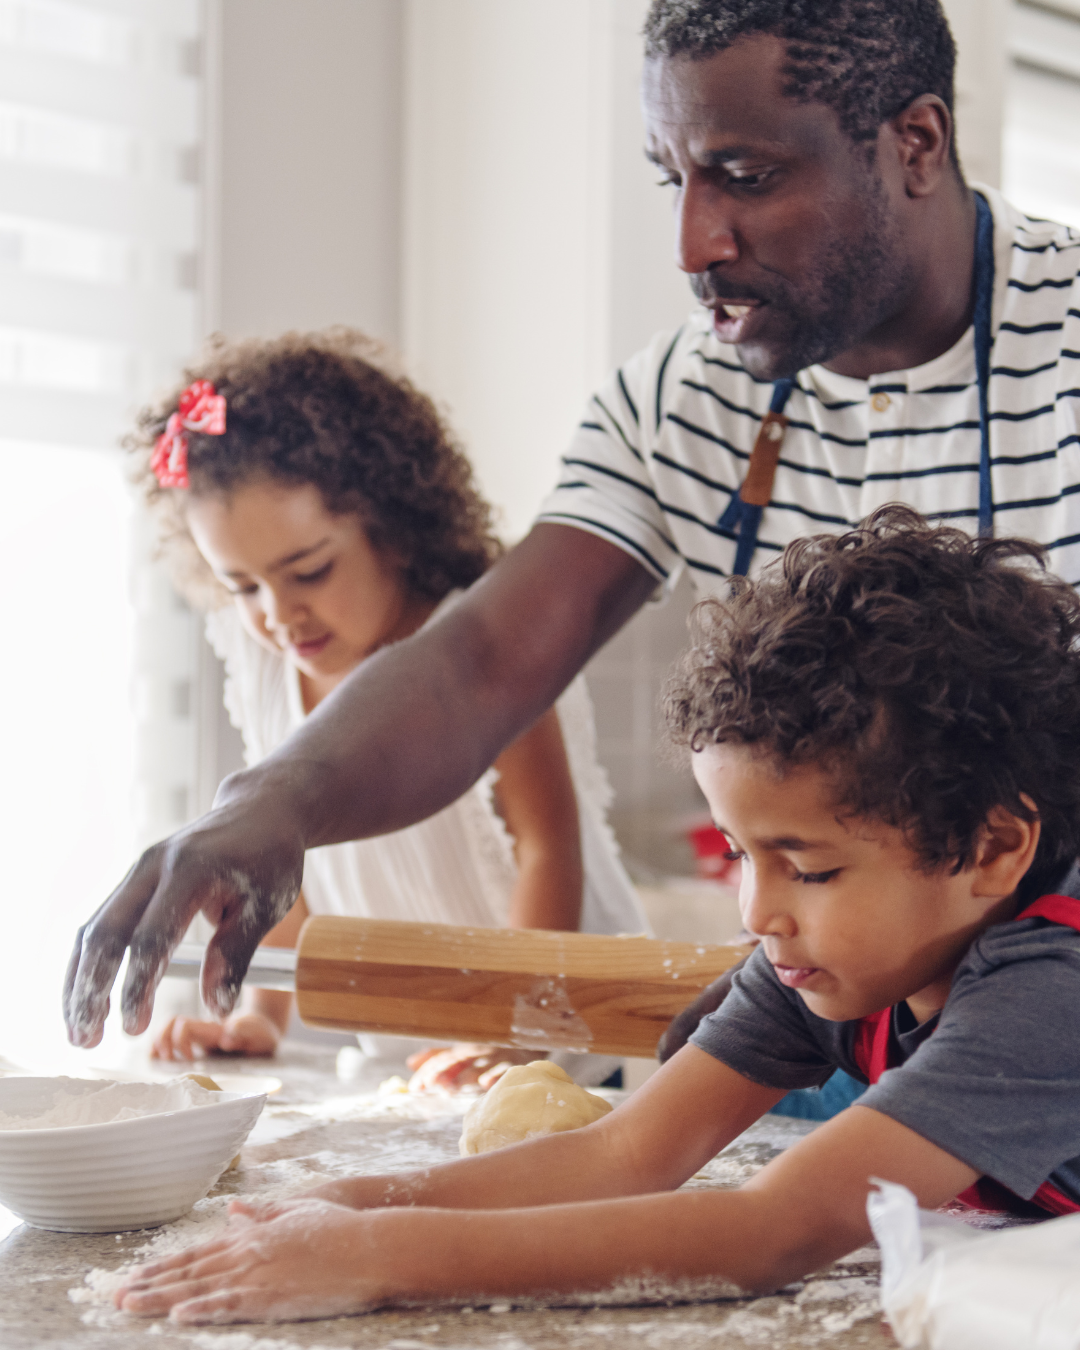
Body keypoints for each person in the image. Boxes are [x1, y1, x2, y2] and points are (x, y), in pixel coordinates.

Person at [64, 0, 1080, 1052]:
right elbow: (480, 662)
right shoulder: (679, 397)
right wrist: (271, 802)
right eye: (671, 177)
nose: (695, 242)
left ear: (914, 143)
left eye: (747, 176)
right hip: (840, 1046)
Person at [111, 507, 1080, 1325]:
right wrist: (343, 1204)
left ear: (992, 850)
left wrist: (382, 1256)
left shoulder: (1050, 996)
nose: (758, 912)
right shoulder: (825, 959)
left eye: (810, 869)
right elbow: (627, 1151)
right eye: (742, 856)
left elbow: (770, 1232)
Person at [129, 329, 646, 1085]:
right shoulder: (268, 669)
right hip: (407, 1051)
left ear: (394, 531)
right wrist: (257, 1017)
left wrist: (516, 1034)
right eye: (243, 586)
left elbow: (547, 850)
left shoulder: (483, 655)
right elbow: (287, 867)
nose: (279, 614)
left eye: (309, 571)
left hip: (566, 1044)